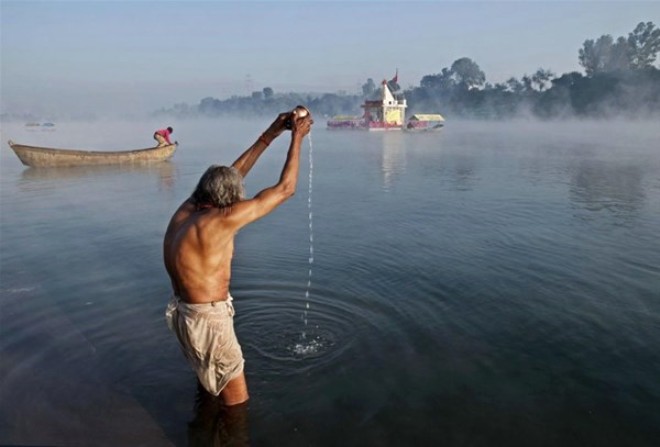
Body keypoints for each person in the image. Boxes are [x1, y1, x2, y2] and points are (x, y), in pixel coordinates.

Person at [164, 108, 313, 406]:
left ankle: (203, 431)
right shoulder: (219, 221)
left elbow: (232, 174)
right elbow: (286, 189)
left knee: (209, 390)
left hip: (184, 315)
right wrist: (297, 137)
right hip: (209, 321)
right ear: (227, 202)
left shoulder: (185, 212)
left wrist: (272, 132)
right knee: (236, 403)